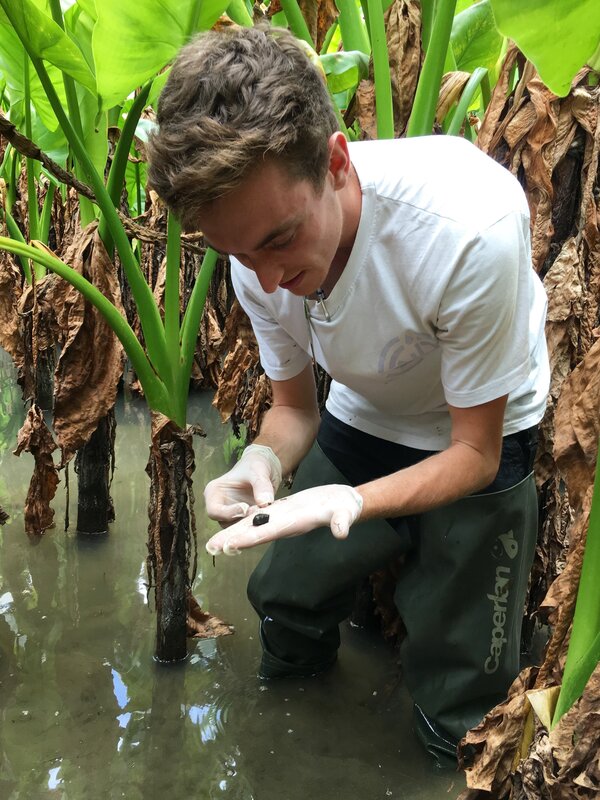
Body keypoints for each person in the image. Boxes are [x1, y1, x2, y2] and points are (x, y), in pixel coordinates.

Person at [148, 24, 550, 759]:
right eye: (239, 254)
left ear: (336, 163)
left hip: (484, 435)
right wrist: (262, 464)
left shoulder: (466, 227)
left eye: (278, 241)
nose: (265, 279)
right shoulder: (254, 256)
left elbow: (475, 453)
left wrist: (355, 501)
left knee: (463, 691)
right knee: (283, 597)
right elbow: (295, 409)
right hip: (365, 413)